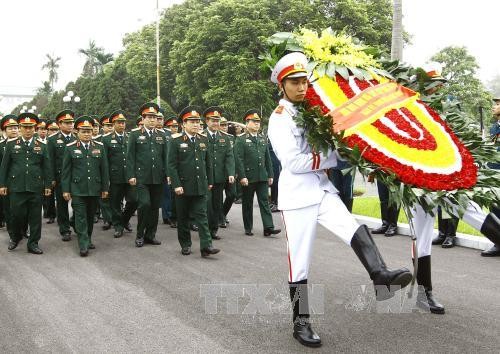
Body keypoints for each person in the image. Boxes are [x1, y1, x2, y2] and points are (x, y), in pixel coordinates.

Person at [267, 52, 412, 347]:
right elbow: (294, 162)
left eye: (303, 81)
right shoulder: (279, 118)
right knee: (300, 263)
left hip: (321, 190)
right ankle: (301, 322)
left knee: (352, 226)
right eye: (293, 82)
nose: (301, 87)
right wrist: (333, 157)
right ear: (281, 86)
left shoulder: (310, 112)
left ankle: (380, 275)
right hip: (297, 197)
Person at [167, 106, 219, 257]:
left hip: (200, 184)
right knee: (183, 218)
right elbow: (172, 165)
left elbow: (208, 162)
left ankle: (206, 246)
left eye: (197, 121)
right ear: (184, 124)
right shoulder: (175, 141)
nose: (196, 124)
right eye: (192, 121)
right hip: (182, 186)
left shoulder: (203, 139)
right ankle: (185, 244)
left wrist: (210, 180)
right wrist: (176, 185)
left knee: (202, 216)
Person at [0, 112, 52, 254]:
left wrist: (47, 186)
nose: (28, 130)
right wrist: (3, 185)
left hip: (35, 187)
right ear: (20, 128)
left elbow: (47, 167)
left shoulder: (42, 145)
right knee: (16, 215)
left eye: (31, 127)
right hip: (16, 187)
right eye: (25, 127)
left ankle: (33, 243)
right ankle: (15, 238)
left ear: (35, 128)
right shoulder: (11, 145)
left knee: (35, 217)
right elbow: (4, 167)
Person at [61, 116, 109, 256]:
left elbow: (104, 170)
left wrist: (105, 188)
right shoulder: (70, 148)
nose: (87, 133)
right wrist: (66, 190)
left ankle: (88, 238)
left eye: (89, 131)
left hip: (94, 188)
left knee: (89, 216)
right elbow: (66, 172)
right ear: (77, 132)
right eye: (84, 131)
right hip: (78, 189)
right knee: (81, 216)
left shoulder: (99, 147)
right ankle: (83, 243)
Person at [126, 102, 167, 247]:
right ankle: (140, 234)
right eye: (148, 117)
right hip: (141, 177)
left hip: (157, 177)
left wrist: (167, 174)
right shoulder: (135, 134)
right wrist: (130, 175)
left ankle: (151, 234)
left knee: (155, 207)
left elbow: (165, 157)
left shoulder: (162, 135)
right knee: (144, 204)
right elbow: (130, 156)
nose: (152, 120)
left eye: (154, 117)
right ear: (142, 119)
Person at [234, 110, 280, 237]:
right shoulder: (241, 140)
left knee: (264, 201)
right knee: (247, 203)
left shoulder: (261, 138)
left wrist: (270, 174)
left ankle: (268, 227)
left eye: (258, 122)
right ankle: (248, 227)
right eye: (254, 122)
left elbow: (267, 159)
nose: (257, 124)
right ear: (247, 123)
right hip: (249, 177)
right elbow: (239, 160)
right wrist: (242, 176)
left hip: (262, 176)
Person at [102, 110, 138, 238]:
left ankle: (124, 220)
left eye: (123, 122)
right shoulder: (106, 139)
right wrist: (106, 180)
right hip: (115, 176)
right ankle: (118, 226)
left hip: (130, 176)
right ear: (113, 123)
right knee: (115, 203)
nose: (122, 124)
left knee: (134, 200)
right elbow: (104, 161)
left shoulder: (130, 137)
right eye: (119, 122)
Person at [203, 106, 235, 240]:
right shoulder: (201, 136)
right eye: (213, 120)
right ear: (206, 121)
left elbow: (229, 156)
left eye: (217, 120)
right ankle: (204, 229)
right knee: (207, 204)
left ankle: (213, 230)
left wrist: (231, 173)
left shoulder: (225, 138)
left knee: (216, 204)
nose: (216, 123)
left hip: (219, 176)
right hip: (204, 177)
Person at [47, 110, 77, 241]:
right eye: (67, 123)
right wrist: (51, 178)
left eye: (71, 122)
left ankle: (75, 222)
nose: (70, 125)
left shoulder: (77, 138)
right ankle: (65, 229)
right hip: (60, 178)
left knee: (78, 202)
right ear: (59, 124)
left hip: (76, 177)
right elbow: (50, 161)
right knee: (62, 204)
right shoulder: (53, 140)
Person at [0, 115, 19, 234]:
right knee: (8, 208)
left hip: (21, 180)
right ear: (4, 130)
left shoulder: (26, 144)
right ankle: (12, 232)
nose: (13, 130)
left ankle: (23, 229)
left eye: (15, 127)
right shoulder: (1, 145)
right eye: (10, 128)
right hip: (7, 182)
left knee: (23, 208)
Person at [98, 114, 113, 230]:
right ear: (102, 127)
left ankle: (118, 218)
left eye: (111, 125)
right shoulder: (99, 139)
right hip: (103, 172)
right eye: (107, 125)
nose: (110, 127)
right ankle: (108, 219)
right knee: (105, 197)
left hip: (116, 172)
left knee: (117, 198)